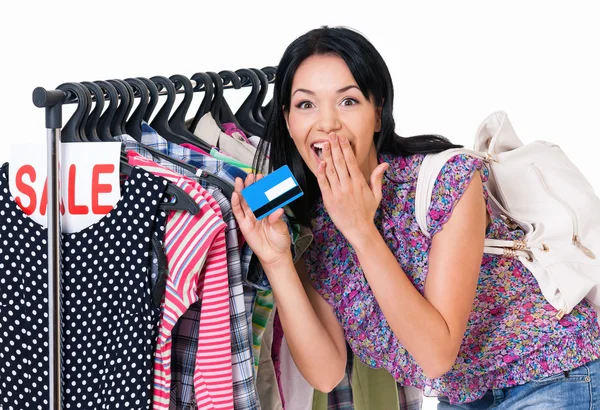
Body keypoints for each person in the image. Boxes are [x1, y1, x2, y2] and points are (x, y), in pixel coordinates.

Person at [231, 25, 600, 409]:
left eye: (348, 101)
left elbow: (436, 354)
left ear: (378, 114)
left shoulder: (447, 181)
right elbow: (326, 371)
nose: (327, 123)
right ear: (288, 122)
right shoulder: (308, 216)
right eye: (307, 104)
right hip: (465, 395)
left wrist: (361, 230)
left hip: (553, 371)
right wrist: (276, 261)